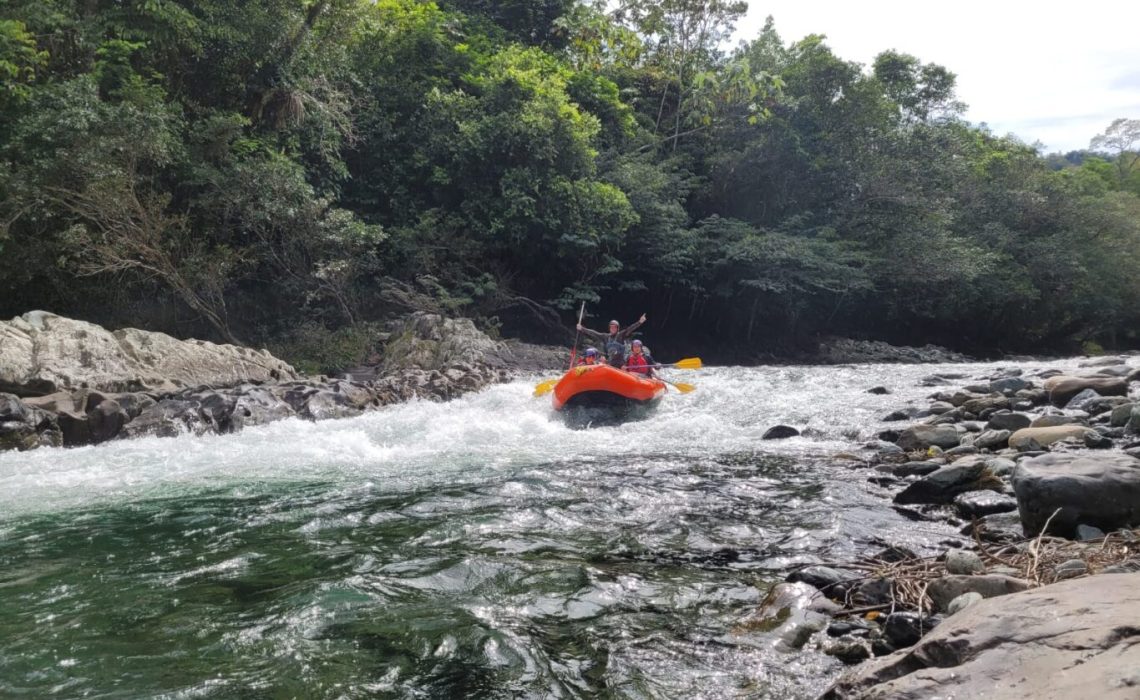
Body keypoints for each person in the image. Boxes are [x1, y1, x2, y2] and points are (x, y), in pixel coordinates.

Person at [577, 313, 647, 367]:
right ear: (609, 328)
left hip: (620, 363)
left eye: (615, 327)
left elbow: (630, 329)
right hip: (610, 363)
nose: (613, 329)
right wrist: (582, 329)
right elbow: (594, 333)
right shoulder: (605, 337)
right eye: (611, 327)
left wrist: (639, 322)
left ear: (617, 328)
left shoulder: (621, 335)